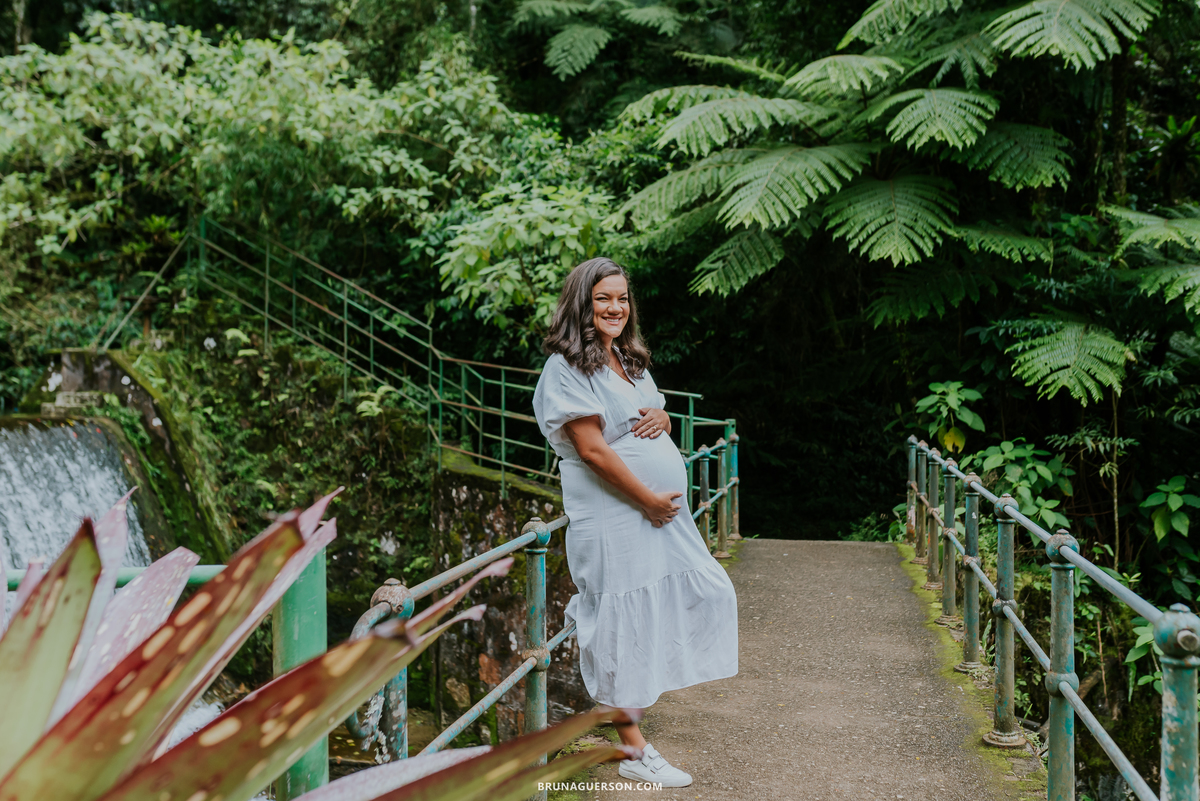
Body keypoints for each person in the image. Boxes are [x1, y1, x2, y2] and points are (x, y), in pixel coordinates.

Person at [532, 257, 739, 788]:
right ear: (583, 303)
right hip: (613, 512)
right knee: (622, 618)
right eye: (604, 298)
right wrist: (648, 499)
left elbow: (649, 412)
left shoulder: (628, 357)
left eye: (622, 299)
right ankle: (633, 749)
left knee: (706, 592)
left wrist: (665, 417)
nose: (615, 308)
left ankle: (631, 721)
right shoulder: (566, 368)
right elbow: (594, 451)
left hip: (653, 514)